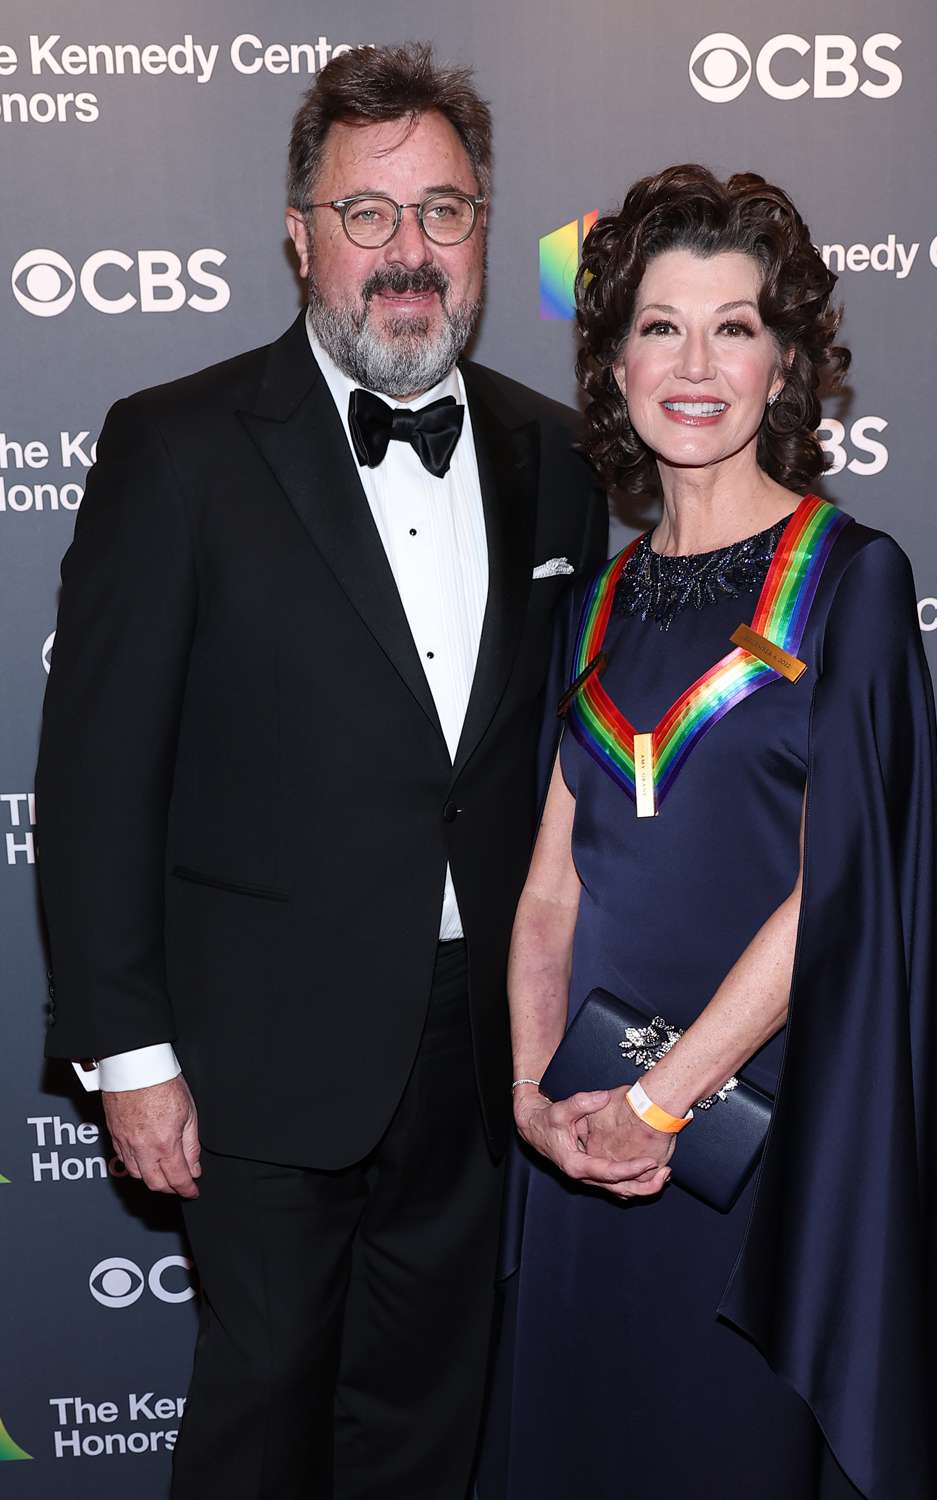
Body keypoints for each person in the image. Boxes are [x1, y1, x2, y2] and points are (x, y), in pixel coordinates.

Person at [35, 43, 607, 1500]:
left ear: (487, 232)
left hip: (480, 1056)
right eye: (369, 214)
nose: (409, 253)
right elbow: (97, 776)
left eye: (446, 211)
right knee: (259, 1430)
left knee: (431, 1431)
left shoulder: (555, 457)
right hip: (255, 1061)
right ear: (300, 235)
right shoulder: (176, 448)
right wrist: (133, 1054)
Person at [478, 165, 937, 1500]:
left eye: (734, 326)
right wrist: (534, 1100)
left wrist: (660, 1100)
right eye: (660, 327)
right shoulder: (599, 599)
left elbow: (836, 891)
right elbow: (551, 895)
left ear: (786, 363)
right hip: (579, 1143)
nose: (695, 364)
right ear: (613, 361)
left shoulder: (849, 583)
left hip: (752, 1159)